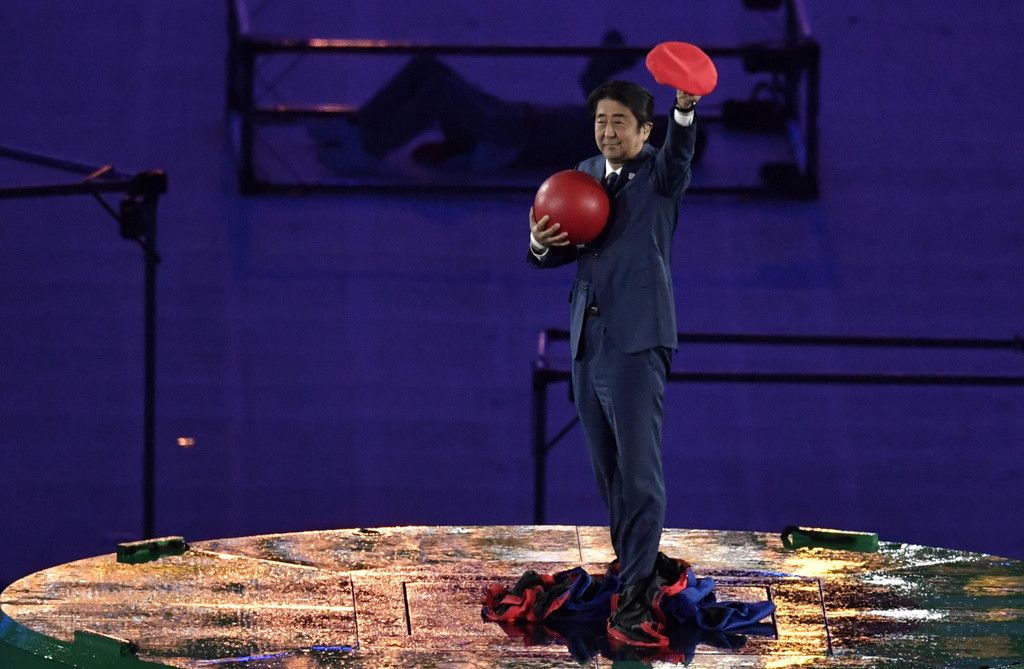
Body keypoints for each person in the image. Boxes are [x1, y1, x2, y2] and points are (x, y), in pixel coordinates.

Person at [527, 79, 699, 645]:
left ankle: (640, 591)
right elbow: (566, 249)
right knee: (609, 469)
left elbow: (679, 154)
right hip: (588, 340)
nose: (608, 131)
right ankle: (631, 569)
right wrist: (541, 242)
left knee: (640, 472)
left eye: (620, 121)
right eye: (601, 120)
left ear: (645, 130)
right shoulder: (583, 173)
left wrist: (683, 111)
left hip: (636, 341)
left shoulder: (661, 174)